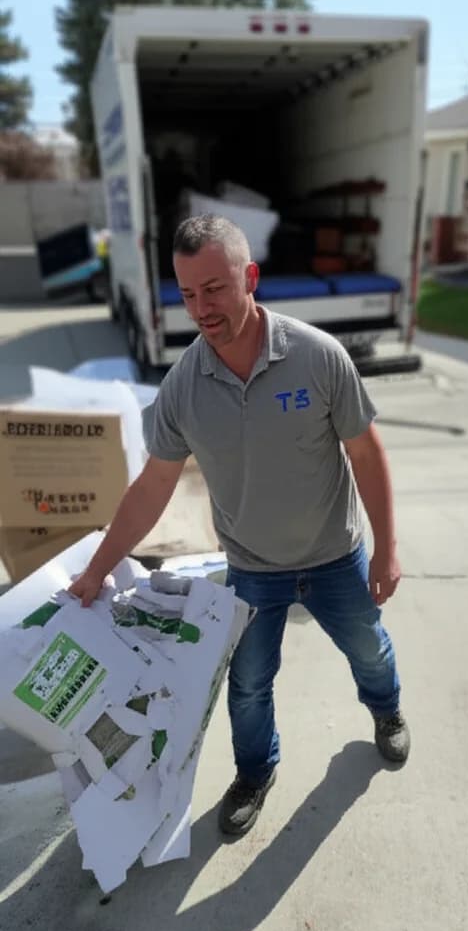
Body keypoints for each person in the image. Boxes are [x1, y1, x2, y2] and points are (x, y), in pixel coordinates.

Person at [69, 214, 410, 838]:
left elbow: (365, 452)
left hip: (335, 554)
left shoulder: (316, 357)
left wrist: (387, 550)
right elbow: (152, 486)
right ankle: (255, 771)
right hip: (252, 569)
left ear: (249, 277)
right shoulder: (182, 389)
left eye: (215, 288)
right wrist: (96, 569)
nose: (201, 307)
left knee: (368, 648)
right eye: (188, 293)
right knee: (248, 684)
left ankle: (386, 711)